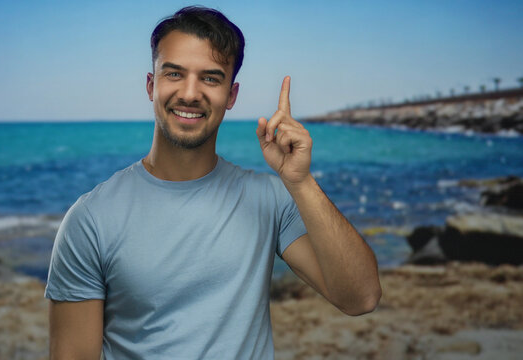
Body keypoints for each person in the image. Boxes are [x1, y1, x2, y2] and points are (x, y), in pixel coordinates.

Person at [46, 6, 381, 359]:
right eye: (174, 73)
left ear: (231, 96)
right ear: (151, 85)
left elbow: (361, 297)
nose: (190, 94)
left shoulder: (269, 199)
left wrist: (300, 181)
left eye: (210, 78)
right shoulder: (91, 219)